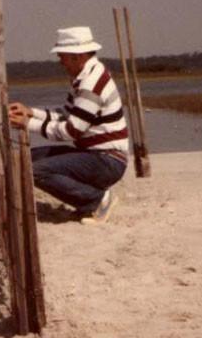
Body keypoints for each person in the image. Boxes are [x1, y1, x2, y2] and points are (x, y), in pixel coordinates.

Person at [8, 26, 129, 224]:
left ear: (77, 56)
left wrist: (28, 123)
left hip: (107, 161)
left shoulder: (92, 83)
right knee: (26, 159)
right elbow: (66, 114)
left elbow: (71, 131)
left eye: (63, 56)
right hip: (96, 156)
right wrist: (31, 112)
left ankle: (96, 200)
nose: (61, 62)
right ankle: (90, 200)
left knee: (35, 171)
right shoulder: (86, 76)